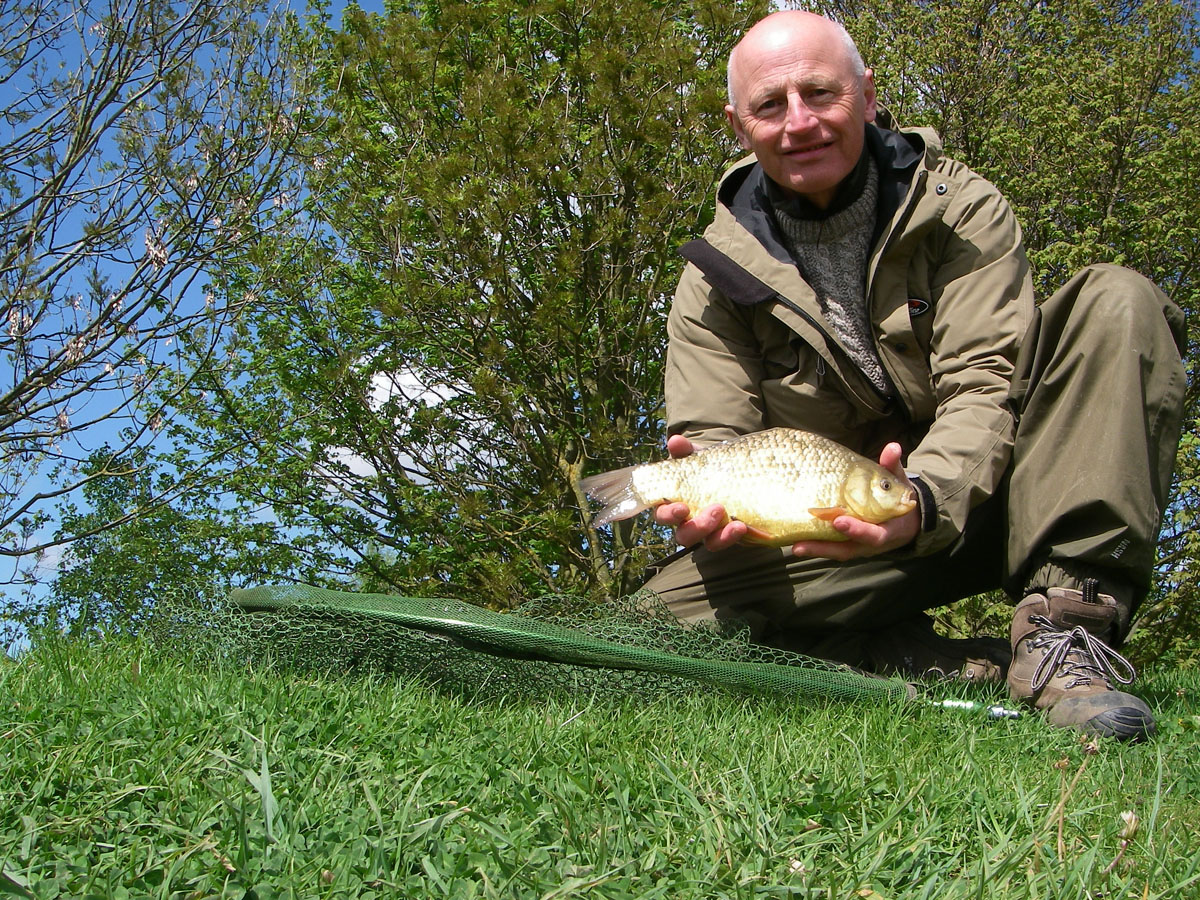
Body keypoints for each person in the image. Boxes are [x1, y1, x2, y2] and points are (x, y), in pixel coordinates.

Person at [641, 10, 1187, 741]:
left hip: (999, 493)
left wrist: (923, 500)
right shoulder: (710, 276)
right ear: (738, 125)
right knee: (648, 630)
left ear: (866, 96)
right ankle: (928, 659)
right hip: (832, 531)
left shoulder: (961, 209)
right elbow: (714, 438)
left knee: (1115, 301)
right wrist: (702, 503)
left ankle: (1067, 636)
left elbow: (986, 385)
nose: (798, 122)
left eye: (820, 93)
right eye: (771, 105)